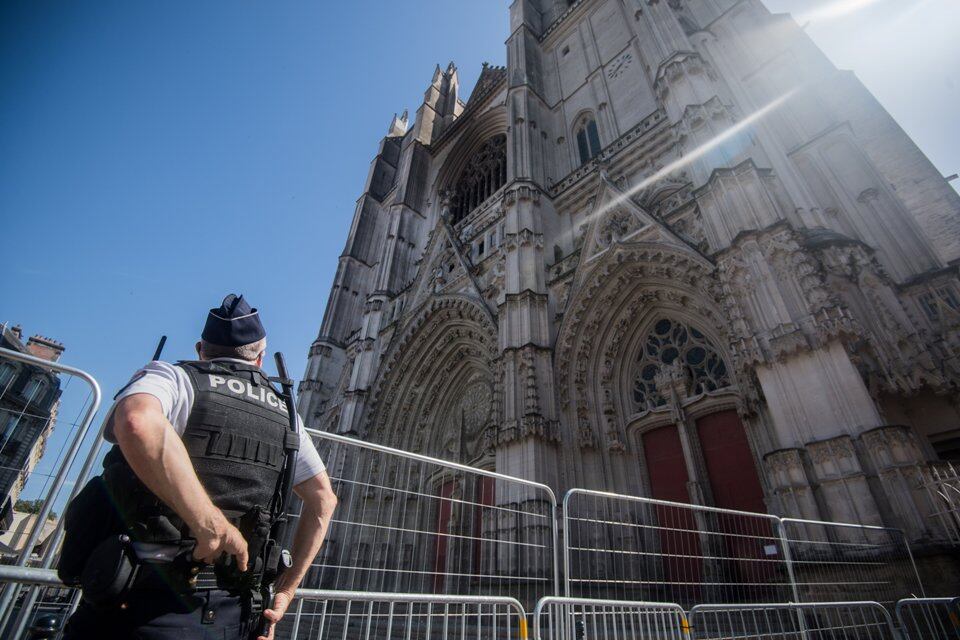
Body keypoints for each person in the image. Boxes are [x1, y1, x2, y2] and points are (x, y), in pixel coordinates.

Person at [62, 294, 337, 640]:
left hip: (142, 600)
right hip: (234, 610)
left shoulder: (175, 378)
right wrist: (285, 590)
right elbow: (323, 501)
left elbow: (135, 421)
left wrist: (208, 521)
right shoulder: (286, 415)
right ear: (261, 357)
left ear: (200, 349)